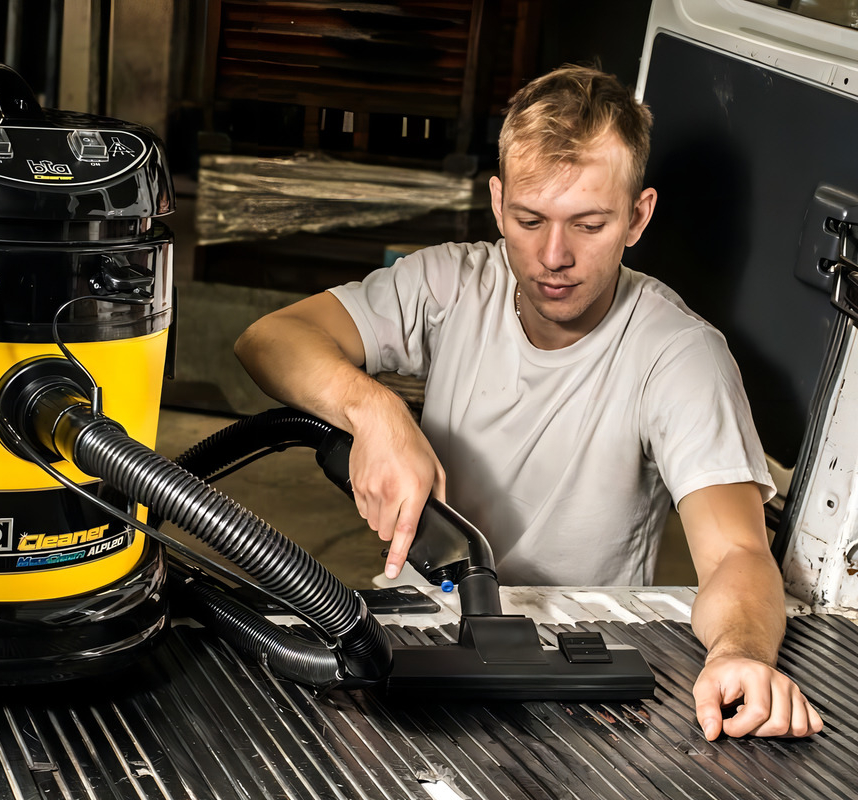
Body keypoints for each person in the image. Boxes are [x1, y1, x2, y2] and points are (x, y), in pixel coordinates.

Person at [234, 65, 823, 741]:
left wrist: (739, 655)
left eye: (589, 224)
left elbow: (737, 554)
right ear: (497, 202)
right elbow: (267, 340)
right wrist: (374, 412)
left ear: (637, 216)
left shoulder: (679, 353)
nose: (553, 255)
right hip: (424, 630)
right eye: (529, 219)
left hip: (575, 656)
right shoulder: (452, 282)